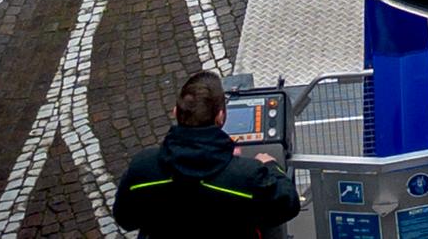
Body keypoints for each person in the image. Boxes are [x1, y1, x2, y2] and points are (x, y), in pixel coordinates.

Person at [113, 71, 301, 239]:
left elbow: (126, 219)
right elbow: (288, 203)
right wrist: (270, 166)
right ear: (220, 117)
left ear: (176, 111)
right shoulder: (247, 175)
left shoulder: (142, 167)